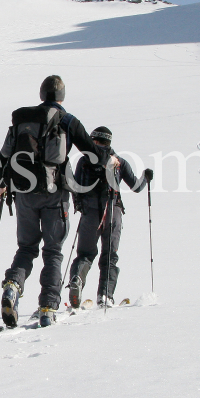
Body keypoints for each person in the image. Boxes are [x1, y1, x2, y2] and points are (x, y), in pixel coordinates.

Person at [0, 75, 112, 328]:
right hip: (55, 195)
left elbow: (3, 156)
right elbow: (92, 154)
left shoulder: (22, 120)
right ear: (62, 96)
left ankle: (13, 285)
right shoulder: (67, 120)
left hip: (24, 193)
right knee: (53, 251)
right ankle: (48, 307)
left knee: (26, 248)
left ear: (41, 94)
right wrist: (108, 156)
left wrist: (2, 183)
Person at [68, 126, 152, 308]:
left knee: (85, 254)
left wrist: (80, 206)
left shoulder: (84, 161)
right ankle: (105, 296)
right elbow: (136, 187)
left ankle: (77, 280)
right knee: (110, 256)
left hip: (90, 214)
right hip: (113, 212)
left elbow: (75, 186)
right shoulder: (120, 162)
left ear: (94, 141)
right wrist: (146, 177)